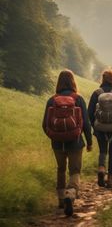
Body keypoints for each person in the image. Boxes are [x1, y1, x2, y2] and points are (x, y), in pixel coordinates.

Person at [42, 69, 92, 216]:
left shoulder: (52, 100)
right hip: (75, 142)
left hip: (57, 143)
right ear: (73, 82)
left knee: (61, 169)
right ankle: (70, 194)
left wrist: (53, 136)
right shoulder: (78, 99)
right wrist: (89, 142)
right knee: (75, 170)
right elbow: (86, 123)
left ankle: (61, 199)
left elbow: (44, 124)